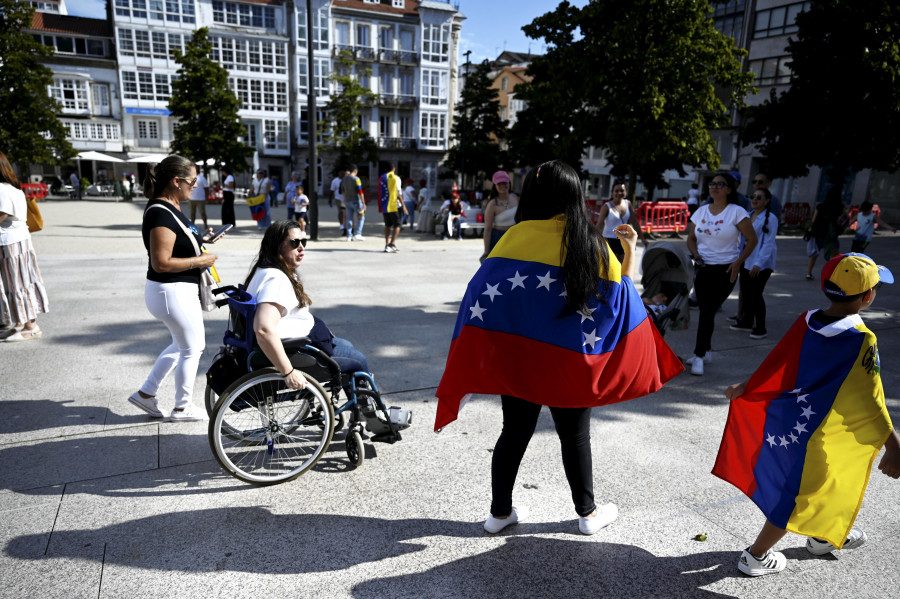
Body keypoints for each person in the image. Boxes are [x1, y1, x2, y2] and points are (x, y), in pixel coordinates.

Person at [435, 159, 683, 536]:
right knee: (575, 437)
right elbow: (621, 300)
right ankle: (587, 514)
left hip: (521, 361)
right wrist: (629, 249)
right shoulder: (591, 245)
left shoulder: (514, 239)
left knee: (513, 433)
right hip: (570, 361)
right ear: (575, 197)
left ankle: (499, 514)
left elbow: (480, 295)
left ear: (532, 196)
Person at [713, 253, 898, 577]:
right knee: (797, 493)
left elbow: (778, 360)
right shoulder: (861, 339)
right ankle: (755, 556)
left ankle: (819, 535)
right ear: (868, 296)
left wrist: (748, 386)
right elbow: (871, 398)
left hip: (792, 419)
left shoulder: (807, 318)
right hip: (817, 428)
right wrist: (893, 445)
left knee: (824, 478)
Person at [128, 155, 220, 422]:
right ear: (176, 181)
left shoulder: (172, 206)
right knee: (193, 348)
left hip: (174, 291)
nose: (196, 185)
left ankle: (146, 394)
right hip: (171, 291)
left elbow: (182, 237)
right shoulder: (159, 212)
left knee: (180, 345)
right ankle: (182, 407)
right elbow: (161, 263)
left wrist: (202, 238)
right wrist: (199, 260)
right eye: (192, 181)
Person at [245, 220, 371, 395]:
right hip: (295, 350)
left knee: (347, 344)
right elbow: (263, 329)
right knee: (359, 360)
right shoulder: (276, 279)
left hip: (301, 341)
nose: (301, 248)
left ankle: (359, 408)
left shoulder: (264, 268)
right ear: (277, 246)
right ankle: (369, 414)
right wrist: (288, 372)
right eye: (294, 243)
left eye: (303, 242)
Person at [685, 172, 757, 376]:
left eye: (720, 184)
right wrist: (696, 254)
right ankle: (705, 352)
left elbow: (752, 240)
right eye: (712, 184)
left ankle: (699, 355)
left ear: (729, 189)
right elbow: (691, 238)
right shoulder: (700, 212)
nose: (714, 187)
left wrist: (738, 263)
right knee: (707, 310)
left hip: (726, 269)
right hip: (703, 267)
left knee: (708, 310)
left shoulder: (736, 212)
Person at [0, 151, 49, 342]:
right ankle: (20, 324)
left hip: (10, 243)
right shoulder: (13, 189)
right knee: (19, 284)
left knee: (17, 284)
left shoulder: (3, 191)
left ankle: (30, 326)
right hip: (18, 241)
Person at [730, 188, 778, 339]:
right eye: (753, 196)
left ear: (767, 201)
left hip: (760, 263)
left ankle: (761, 327)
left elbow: (769, 243)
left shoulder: (770, 218)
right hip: (746, 260)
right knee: (746, 291)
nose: (755, 199)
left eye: (759, 197)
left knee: (756, 294)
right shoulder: (748, 216)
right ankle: (747, 321)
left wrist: (759, 263)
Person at [596, 182, 649, 263]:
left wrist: (642, 239)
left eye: (622, 190)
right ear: (612, 193)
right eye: (616, 191)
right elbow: (600, 224)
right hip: (609, 239)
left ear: (626, 192)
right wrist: (595, 240)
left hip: (624, 239)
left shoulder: (628, 204)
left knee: (622, 267)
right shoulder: (606, 206)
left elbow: (634, 222)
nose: (619, 193)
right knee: (611, 266)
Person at [805, 185, 845, 280]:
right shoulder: (840, 207)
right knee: (835, 256)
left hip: (818, 233)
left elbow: (813, 221)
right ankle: (833, 275)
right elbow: (844, 219)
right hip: (831, 235)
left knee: (814, 254)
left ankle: (809, 273)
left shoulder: (820, 206)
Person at [479, 171, 519, 262]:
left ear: (509, 183)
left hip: (515, 236)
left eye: (504, 183)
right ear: (495, 186)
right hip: (499, 238)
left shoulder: (516, 198)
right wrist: (486, 251)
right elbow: (488, 229)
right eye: (499, 184)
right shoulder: (492, 204)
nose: (502, 186)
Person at [380, 163, 407, 252]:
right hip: (394, 205)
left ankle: (387, 244)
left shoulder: (382, 178)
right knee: (397, 225)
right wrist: (403, 205)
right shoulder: (396, 178)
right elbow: (398, 193)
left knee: (388, 225)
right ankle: (391, 244)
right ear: (394, 169)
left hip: (385, 205)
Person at [342, 165, 365, 242]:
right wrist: (363, 203)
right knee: (361, 217)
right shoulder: (356, 179)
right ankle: (358, 233)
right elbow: (360, 191)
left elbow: (343, 191)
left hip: (347, 200)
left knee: (349, 218)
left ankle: (349, 235)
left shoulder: (344, 179)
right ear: (355, 171)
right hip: (356, 200)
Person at [330, 169, 345, 235]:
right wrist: (330, 199)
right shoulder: (335, 181)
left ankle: (345, 224)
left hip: (345, 198)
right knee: (341, 211)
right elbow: (332, 190)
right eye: (341, 172)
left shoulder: (345, 179)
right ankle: (341, 224)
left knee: (346, 212)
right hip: (338, 198)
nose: (342, 174)